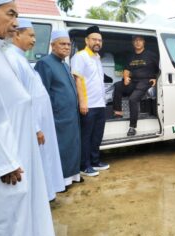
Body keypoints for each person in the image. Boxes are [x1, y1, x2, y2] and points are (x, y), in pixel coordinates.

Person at [0, 1, 56, 236]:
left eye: (17, 16)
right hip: (7, 161)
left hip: (19, 149)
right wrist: (5, 162)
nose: (16, 22)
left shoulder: (1, 52)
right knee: (11, 222)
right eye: (10, 15)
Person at [4, 18, 65, 201]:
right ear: (17, 34)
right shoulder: (12, 59)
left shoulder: (22, 58)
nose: (34, 40)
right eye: (30, 35)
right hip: (32, 124)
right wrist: (36, 127)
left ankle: (47, 193)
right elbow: (21, 100)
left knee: (45, 160)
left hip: (40, 122)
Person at [35, 30, 81, 187]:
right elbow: (42, 94)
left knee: (73, 145)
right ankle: (61, 181)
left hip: (71, 115)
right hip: (57, 116)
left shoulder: (65, 64)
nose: (66, 47)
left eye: (68, 44)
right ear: (52, 45)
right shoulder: (45, 63)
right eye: (62, 44)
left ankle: (73, 176)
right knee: (61, 148)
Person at [71, 26, 110, 177]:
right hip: (88, 105)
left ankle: (95, 161)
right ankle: (84, 165)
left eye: (99, 40)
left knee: (97, 135)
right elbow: (78, 80)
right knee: (86, 137)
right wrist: (82, 103)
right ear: (86, 40)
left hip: (100, 104)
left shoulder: (97, 58)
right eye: (94, 39)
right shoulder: (80, 56)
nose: (97, 42)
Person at [112, 35, 159, 136]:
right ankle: (118, 112)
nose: (138, 42)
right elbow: (126, 69)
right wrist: (125, 77)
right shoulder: (130, 56)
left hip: (145, 81)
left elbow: (159, 68)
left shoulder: (151, 55)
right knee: (117, 86)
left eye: (140, 40)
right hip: (133, 81)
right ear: (133, 43)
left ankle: (132, 127)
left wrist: (155, 77)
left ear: (144, 42)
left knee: (133, 99)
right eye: (135, 40)